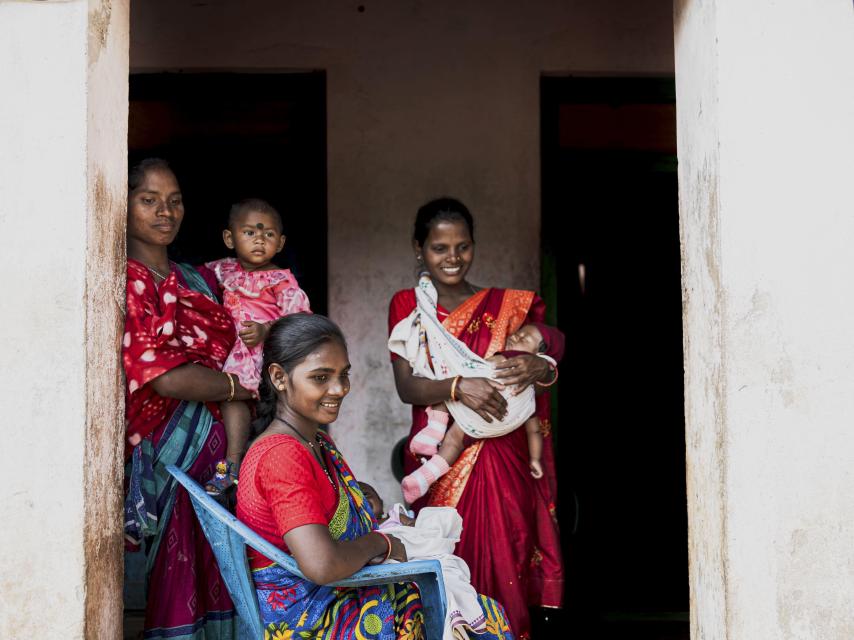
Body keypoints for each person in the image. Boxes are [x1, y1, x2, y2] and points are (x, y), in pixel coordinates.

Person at [235, 313, 515, 639]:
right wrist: (380, 542)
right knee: (470, 616)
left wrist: (358, 500)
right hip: (312, 616)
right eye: (321, 377)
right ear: (279, 378)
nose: (339, 389)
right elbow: (322, 566)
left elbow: (321, 506)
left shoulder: (315, 441)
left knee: (469, 606)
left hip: (331, 592)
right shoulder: (282, 454)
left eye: (344, 375)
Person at [388, 197, 565, 638]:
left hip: (506, 456)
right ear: (419, 248)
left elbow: (553, 343)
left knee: (508, 558)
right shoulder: (409, 305)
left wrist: (540, 365)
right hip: (443, 459)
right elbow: (407, 386)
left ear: (473, 246)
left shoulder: (507, 308)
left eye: (462, 247)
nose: (452, 258)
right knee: (446, 560)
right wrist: (457, 386)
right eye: (439, 248)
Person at [123, 158, 255, 639]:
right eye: (149, 199)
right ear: (124, 203)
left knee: (223, 568)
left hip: (222, 464)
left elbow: (239, 349)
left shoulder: (198, 279)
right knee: (173, 576)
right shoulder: (124, 279)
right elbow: (163, 377)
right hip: (165, 457)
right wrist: (236, 388)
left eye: (174, 200)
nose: (165, 211)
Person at [200, 197, 311, 494]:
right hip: (232, 357)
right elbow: (192, 286)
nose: (259, 240)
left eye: (269, 234)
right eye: (249, 232)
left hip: (267, 359)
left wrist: (266, 330)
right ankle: (231, 465)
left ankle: (273, 471)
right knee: (232, 400)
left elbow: (300, 320)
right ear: (229, 238)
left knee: (274, 415)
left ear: (281, 242)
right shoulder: (220, 271)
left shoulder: (281, 280)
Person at [397, 322, 554, 503]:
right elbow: (534, 430)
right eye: (518, 333)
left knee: (447, 385)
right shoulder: (529, 396)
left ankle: (433, 432)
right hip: (496, 422)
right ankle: (422, 478)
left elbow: (477, 368)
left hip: (478, 404)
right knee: (454, 443)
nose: (517, 337)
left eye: (525, 339)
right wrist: (535, 459)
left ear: (537, 357)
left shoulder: (509, 358)